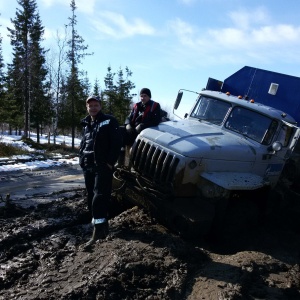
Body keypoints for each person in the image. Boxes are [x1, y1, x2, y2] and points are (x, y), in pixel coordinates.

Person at [79, 95, 122, 248]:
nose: (93, 108)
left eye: (96, 105)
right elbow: (84, 143)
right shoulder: (86, 123)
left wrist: (110, 163)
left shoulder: (109, 121)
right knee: (91, 197)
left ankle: (97, 233)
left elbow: (117, 143)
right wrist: (81, 160)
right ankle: (101, 226)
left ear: (100, 106)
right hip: (88, 165)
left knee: (99, 197)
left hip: (102, 166)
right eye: (90, 106)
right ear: (87, 107)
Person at [117, 88, 161, 166]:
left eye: (145, 96)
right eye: (141, 96)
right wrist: (128, 125)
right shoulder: (137, 106)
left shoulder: (155, 106)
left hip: (145, 132)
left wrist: (142, 126)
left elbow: (156, 120)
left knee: (135, 144)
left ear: (149, 97)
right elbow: (129, 117)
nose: (142, 98)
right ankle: (121, 161)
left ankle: (134, 166)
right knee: (119, 131)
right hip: (132, 130)